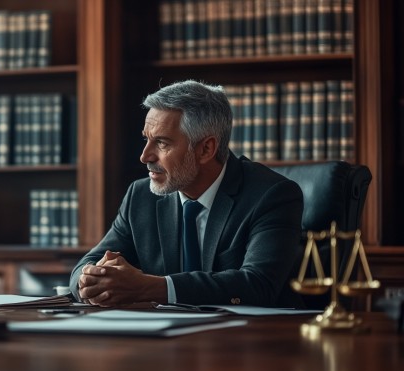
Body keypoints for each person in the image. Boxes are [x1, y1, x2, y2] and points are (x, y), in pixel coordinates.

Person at [70, 80, 304, 308]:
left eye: (161, 143)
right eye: (146, 139)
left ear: (205, 149)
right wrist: (90, 278)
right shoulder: (140, 196)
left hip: (246, 340)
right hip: (162, 338)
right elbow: (86, 265)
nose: (145, 156)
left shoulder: (272, 195)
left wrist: (151, 287)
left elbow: (258, 284)